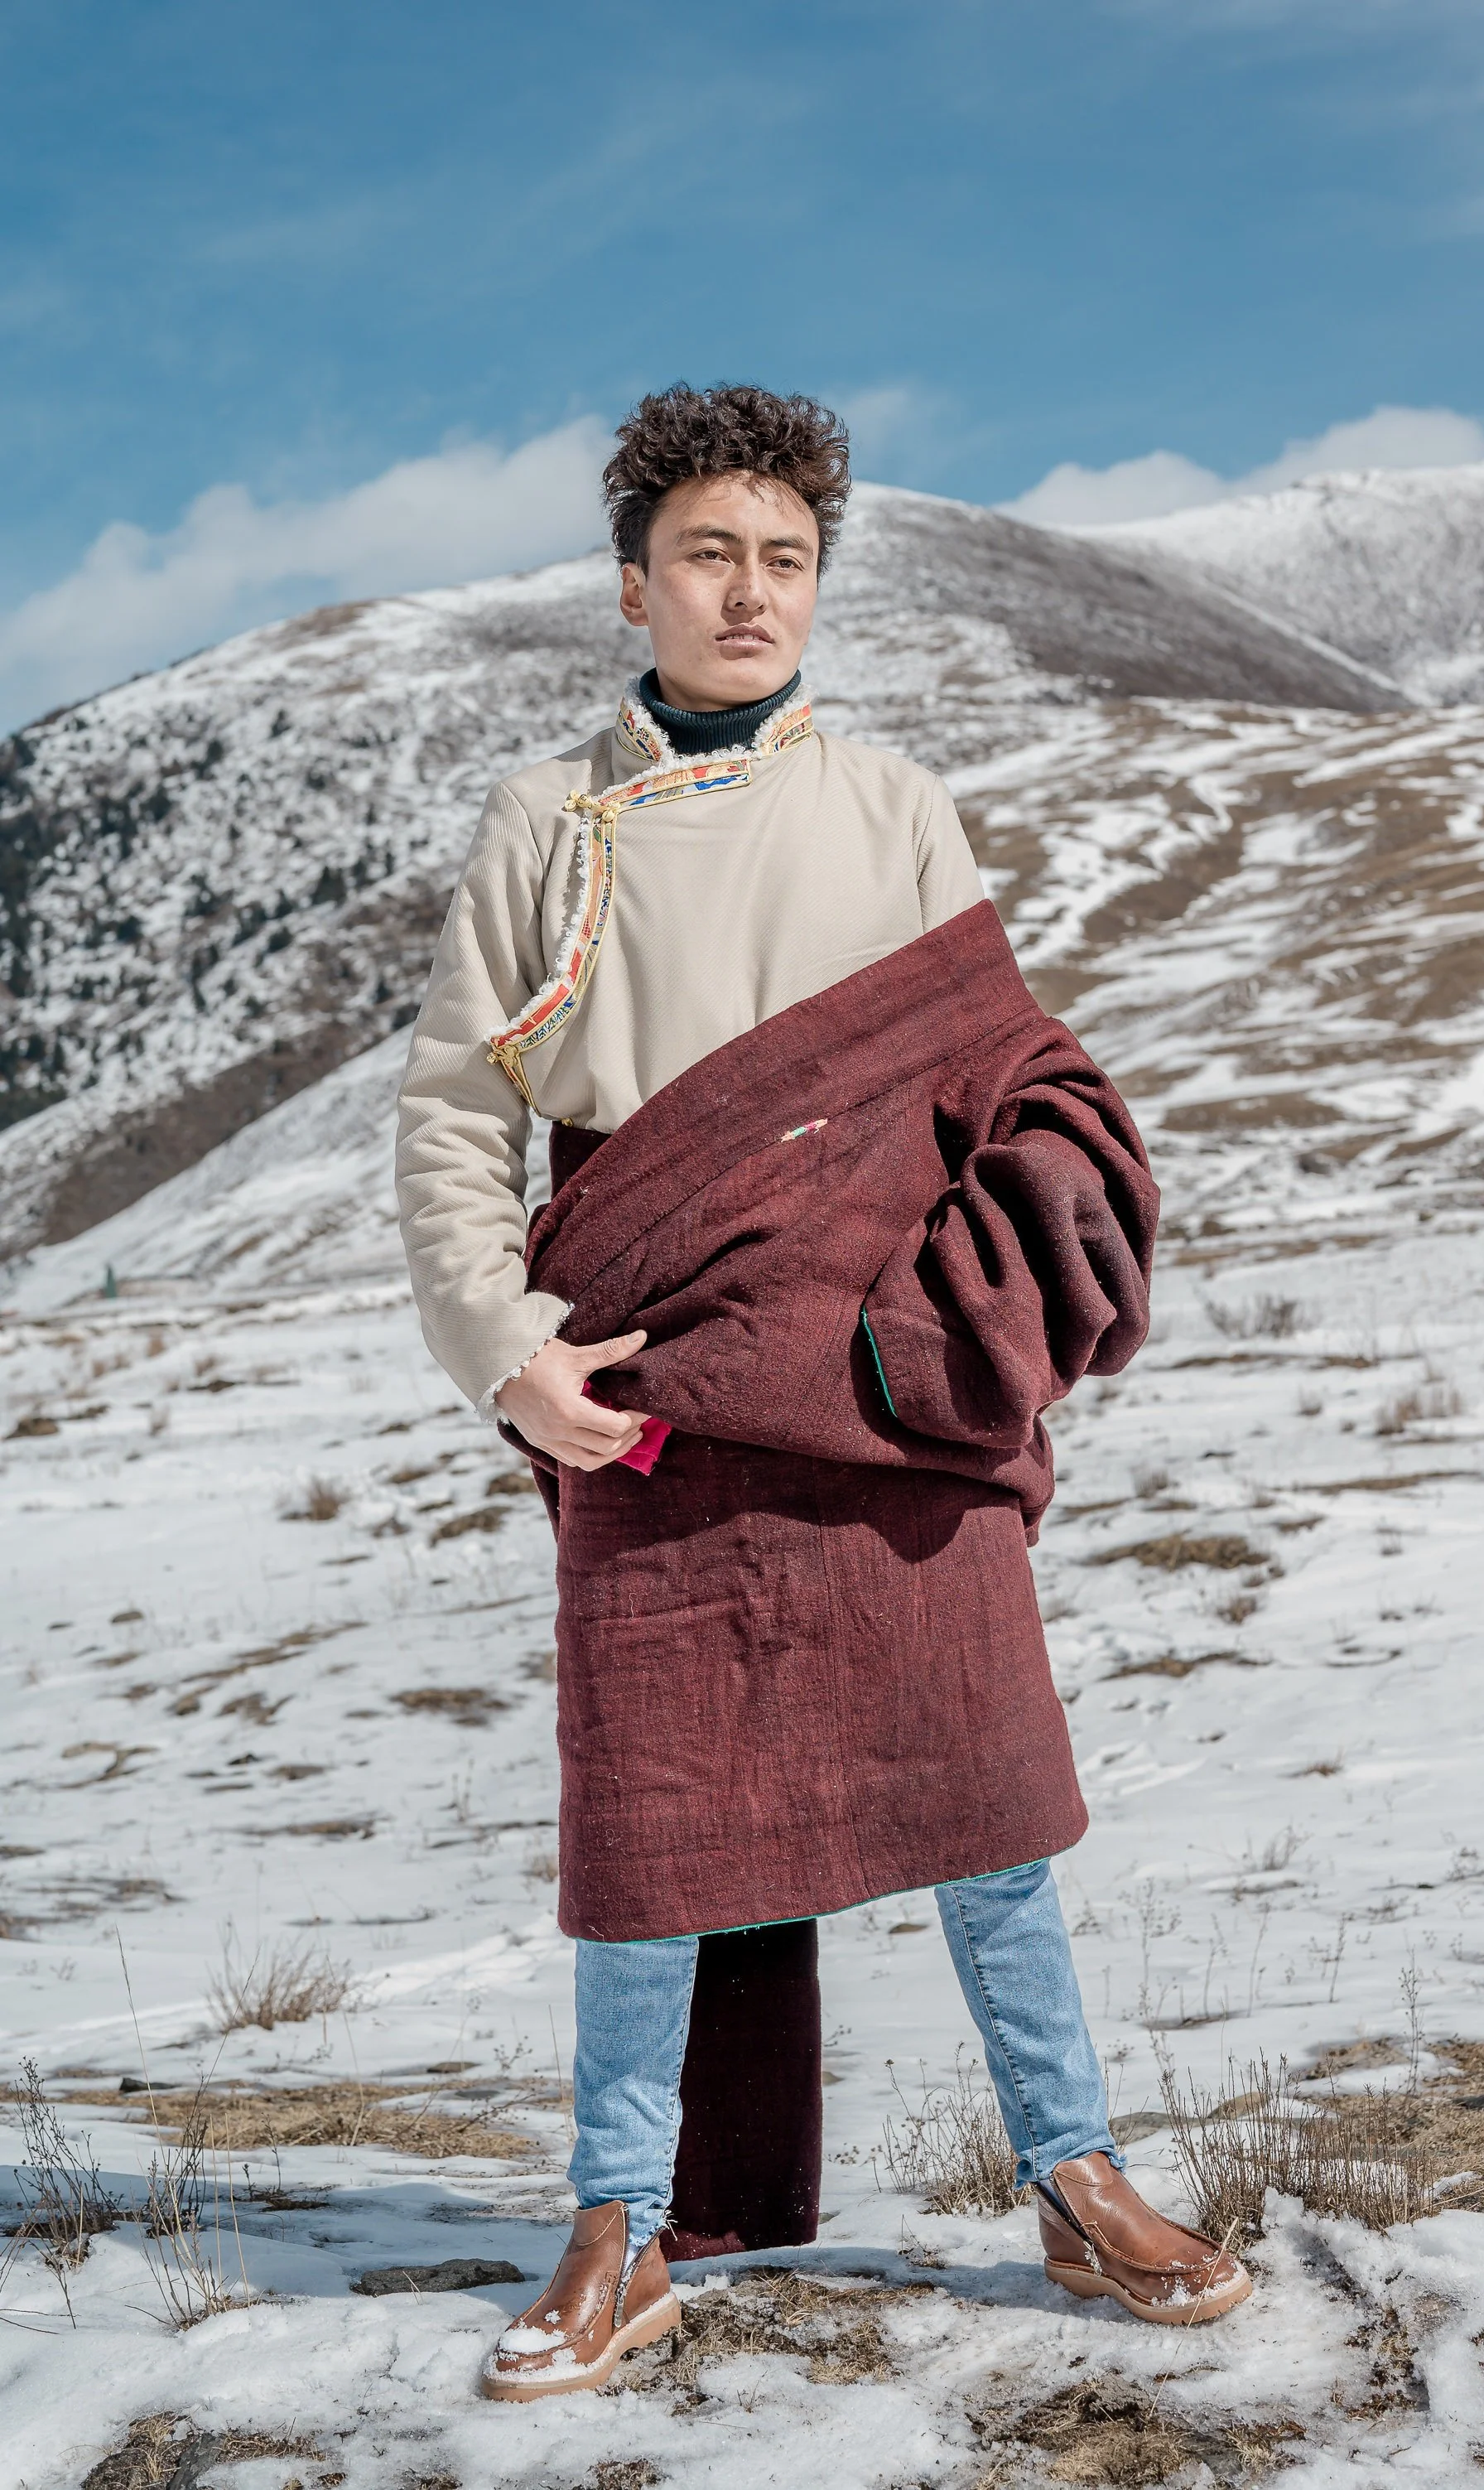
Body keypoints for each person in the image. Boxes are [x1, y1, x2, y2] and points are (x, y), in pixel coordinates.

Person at [395, 384, 1251, 2401]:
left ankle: (1074, 2174)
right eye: (710, 551)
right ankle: (619, 2227)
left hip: (890, 1387)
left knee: (987, 1798)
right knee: (650, 1820)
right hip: (648, 1380)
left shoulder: (891, 810)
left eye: (785, 558)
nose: (750, 586)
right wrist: (504, 1353)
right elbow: (454, 1120)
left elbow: (1003, 1088)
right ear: (635, 585)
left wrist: (943, 1331)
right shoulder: (548, 824)